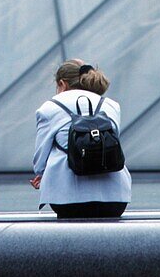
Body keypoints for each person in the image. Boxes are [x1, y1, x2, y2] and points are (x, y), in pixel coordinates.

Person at [31, 59, 131, 219]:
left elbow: (40, 157)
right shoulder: (111, 105)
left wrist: (41, 174)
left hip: (67, 197)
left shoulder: (49, 108)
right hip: (115, 196)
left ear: (62, 84)